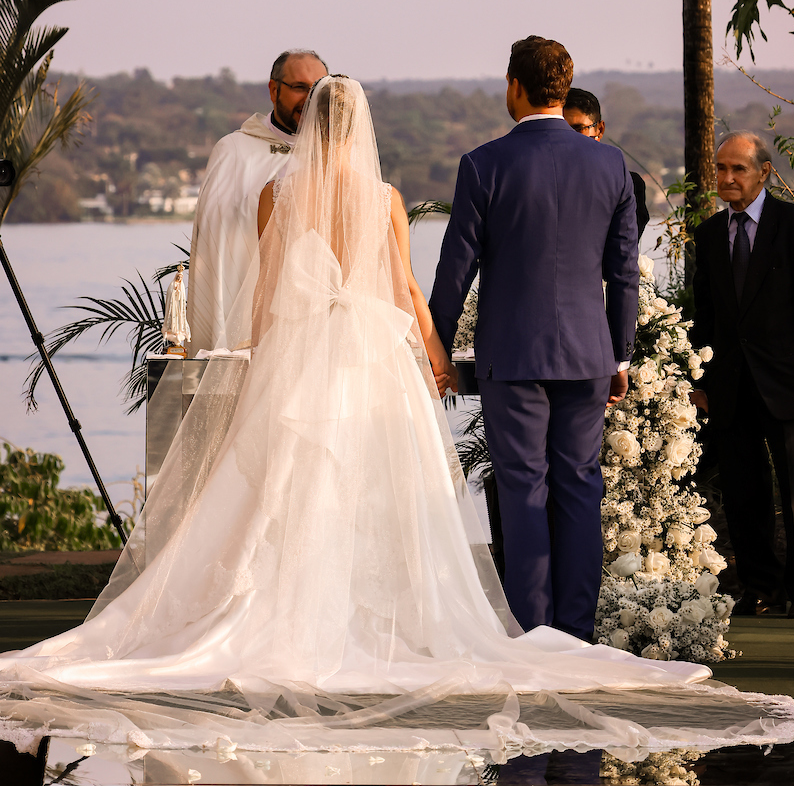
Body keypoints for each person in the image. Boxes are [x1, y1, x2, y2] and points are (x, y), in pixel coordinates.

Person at [0, 75, 732, 758]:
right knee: (373, 490)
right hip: (371, 354)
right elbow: (406, 285)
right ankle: (373, 619)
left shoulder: (274, 191)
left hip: (301, 350)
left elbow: (261, 296)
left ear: (311, 124)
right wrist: (438, 356)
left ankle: (290, 613)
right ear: (360, 129)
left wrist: (257, 360)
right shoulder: (382, 195)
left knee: (291, 488)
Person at [429, 37, 639, 642]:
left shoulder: (483, 164)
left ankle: (532, 632)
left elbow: (454, 272)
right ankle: (576, 634)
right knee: (579, 484)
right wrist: (619, 353)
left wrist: (435, 350)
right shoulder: (610, 163)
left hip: (513, 356)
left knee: (523, 488)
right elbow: (623, 270)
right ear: (563, 89)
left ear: (514, 87)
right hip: (589, 355)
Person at [691, 131, 794, 618]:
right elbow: (706, 312)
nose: (727, 178)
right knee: (743, 493)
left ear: (764, 172)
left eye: (738, 169)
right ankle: (761, 590)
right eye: (720, 169)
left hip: (788, 386)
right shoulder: (712, 233)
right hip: (729, 386)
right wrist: (701, 380)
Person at [187, 48, 327, 353]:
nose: (310, 98)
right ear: (274, 90)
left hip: (321, 333)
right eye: (300, 87)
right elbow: (216, 253)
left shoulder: (337, 157)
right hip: (249, 331)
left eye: (318, 89)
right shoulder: (234, 152)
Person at [563, 87, 650, 240]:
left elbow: (626, 244)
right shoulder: (542, 183)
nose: (570, 138)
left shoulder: (629, 186)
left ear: (599, 129)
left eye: (578, 129)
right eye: (563, 130)